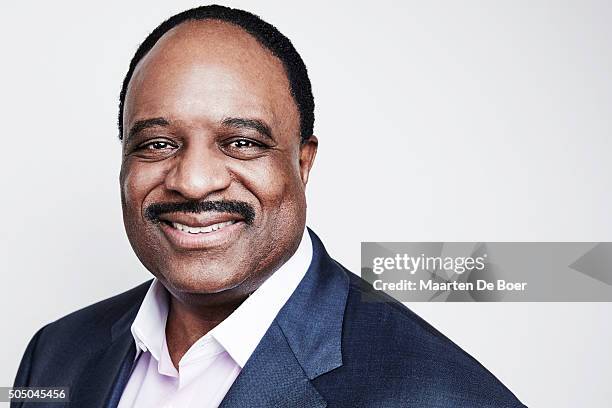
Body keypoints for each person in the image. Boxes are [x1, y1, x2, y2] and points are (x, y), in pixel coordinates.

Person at [13, 5, 525, 407]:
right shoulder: (53, 357)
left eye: (241, 143)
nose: (192, 182)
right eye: (158, 144)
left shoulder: (441, 396)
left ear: (302, 163)